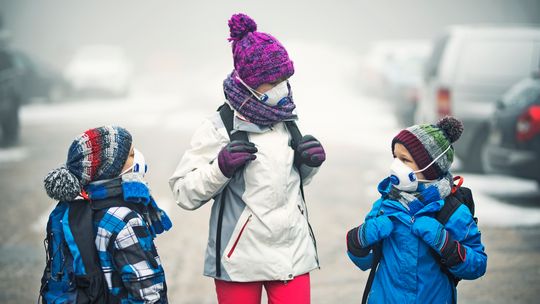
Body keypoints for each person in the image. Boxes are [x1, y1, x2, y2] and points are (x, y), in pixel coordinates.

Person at [169, 13, 325, 304]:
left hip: (292, 256)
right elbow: (183, 192)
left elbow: (288, 183)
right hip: (238, 260)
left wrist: (308, 164)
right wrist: (220, 168)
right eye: (272, 82)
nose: (282, 88)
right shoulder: (220, 126)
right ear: (249, 82)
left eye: (285, 79)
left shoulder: (287, 119)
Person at [346, 117, 487, 303]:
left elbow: (477, 265)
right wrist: (360, 239)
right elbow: (364, 261)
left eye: (405, 160)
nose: (396, 165)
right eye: (395, 157)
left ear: (431, 168)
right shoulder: (385, 205)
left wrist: (446, 244)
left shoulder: (452, 212)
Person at [42, 126, 169, 303]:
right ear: (110, 170)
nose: (138, 158)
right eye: (131, 155)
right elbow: (146, 293)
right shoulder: (123, 219)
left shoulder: (73, 208)